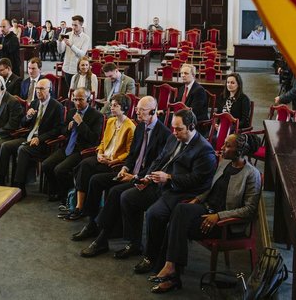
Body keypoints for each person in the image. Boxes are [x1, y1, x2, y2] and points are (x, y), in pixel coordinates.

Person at [80, 109, 216, 267]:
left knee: (154, 213)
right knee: (127, 197)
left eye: (179, 129)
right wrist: (147, 178)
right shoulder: (174, 138)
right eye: (173, 128)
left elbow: (198, 180)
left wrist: (169, 178)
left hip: (180, 192)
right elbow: (159, 160)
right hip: (160, 184)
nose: (174, 132)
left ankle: (152, 256)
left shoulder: (204, 149)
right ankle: (134, 243)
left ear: (191, 126)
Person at [149, 134, 262, 293]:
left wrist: (218, 216)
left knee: (177, 226)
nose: (222, 147)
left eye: (227, 145)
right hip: (207, 208)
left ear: (239, 150)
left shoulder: (251, 174)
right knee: (180, 210)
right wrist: (197, 199)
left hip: (223, 224)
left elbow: (249, 210)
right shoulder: (224, 164)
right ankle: (170, 268)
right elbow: (210, 188)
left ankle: (171, 275)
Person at [72, 96, 171, 243]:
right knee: (95, 180)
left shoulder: (164, 134)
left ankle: (102, 237)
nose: (137, 112)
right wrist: (125, 168)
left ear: (153, 111)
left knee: (115, 191)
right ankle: (92, 223)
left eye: (141, 110)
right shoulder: (140, 127)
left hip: (144, 179)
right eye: (137, 109)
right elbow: (132, 154)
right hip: (130, 172)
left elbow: (157, 165)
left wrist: (135, 177)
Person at [63, 94, 135, 220]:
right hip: (104, 157)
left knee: (86, 169)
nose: (111, 108)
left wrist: (113, 160)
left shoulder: (130, 127)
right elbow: (102, 142)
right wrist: (99, 153)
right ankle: (79, 206)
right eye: (111, 105)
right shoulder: (111, 121)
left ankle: (83, 208)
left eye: (115, 106)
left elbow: (129, 152)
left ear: (124, 108)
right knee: (83, 165)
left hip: (115, 162)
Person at [41, 87, 103, 204]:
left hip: (82, 150)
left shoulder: (97, 115)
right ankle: (57, 191)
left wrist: (81, 124)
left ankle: (67, 195)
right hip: (68, 146)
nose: (77, 103)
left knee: (60, 169)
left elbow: (94, 138)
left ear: (88, 100)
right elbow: (63, 131)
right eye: (75, 99)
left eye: (81, 99)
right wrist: (68, 128)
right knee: (46, 165)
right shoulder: (71, 112)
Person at [8, 78, 64, 195]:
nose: (38, 91)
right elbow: (23, 124)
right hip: (28, 137)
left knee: (22, 150)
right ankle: (1, 180)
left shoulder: (57, 106)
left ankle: (19, 187)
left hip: (44, 142)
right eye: (37, 88)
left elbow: (58, 130)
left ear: (49, 90)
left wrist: (40, 138)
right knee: (6, 146)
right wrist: (28, 117)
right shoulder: (34, 103)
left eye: (42, 89)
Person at [58, 15, 90, 87]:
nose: (73, 27)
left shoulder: (86, 38)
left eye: (75, 25)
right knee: (68, 90)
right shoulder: (68, 34)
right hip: (66, 68)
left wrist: (71, 45)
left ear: (81, 25)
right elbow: (60, 51)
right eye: (72, 25)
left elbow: (82, 54)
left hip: (76, 70)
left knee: (76, 90)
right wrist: (59, 42)